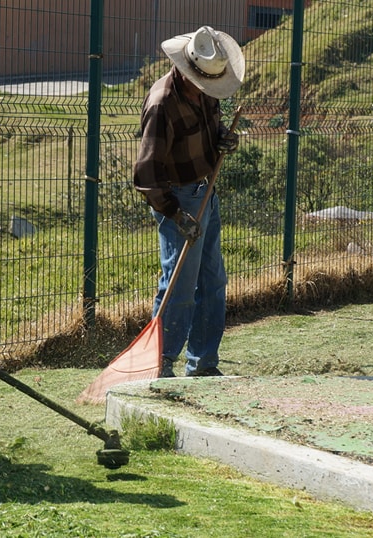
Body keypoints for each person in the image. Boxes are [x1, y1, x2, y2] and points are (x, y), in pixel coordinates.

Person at [133, 26, 244, 378]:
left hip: (206, 191)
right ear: (186, 68)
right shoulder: (162, 103)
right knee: (179, 285)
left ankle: (203, 364)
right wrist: (178, 216)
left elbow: (209, 132)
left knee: (213, 281)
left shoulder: (205, 90)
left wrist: (224, 140)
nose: (208, 91)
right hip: (178, 199)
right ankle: (159, 365)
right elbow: (146, 176)